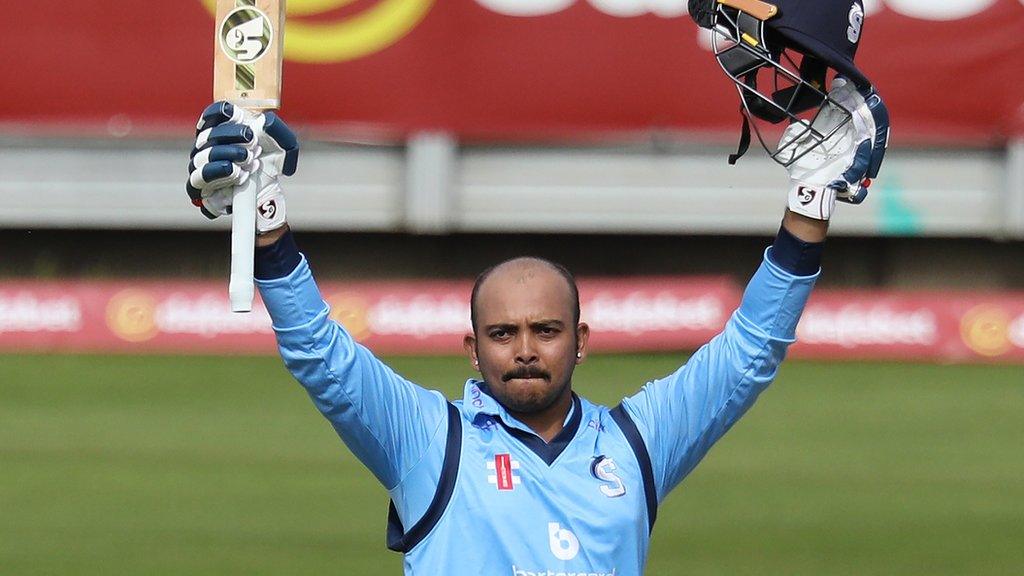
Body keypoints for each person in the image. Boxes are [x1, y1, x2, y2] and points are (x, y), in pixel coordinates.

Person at [185, 3, 888, 573]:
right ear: (472, 348)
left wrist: (809, 208)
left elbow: (748, 356)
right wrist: (266, 218)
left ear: (581, 341)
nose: (524, 349)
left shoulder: (638, 446)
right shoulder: (430, 443)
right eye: (503, 333)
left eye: (545, 331)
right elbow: (321, 358)